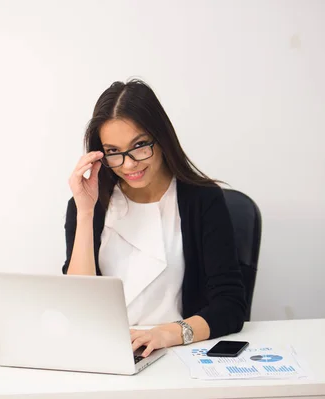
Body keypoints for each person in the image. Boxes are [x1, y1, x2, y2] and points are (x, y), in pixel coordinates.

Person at [62, 79, 246, 358]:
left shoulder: (203, 200)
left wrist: (166, 333)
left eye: (139, 145)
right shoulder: (90, 205)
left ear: (161, 139)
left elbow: (230, 306)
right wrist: (85, 213)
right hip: (106, 352)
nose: (129, 163)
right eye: (113, 152)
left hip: (180, 350)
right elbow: (77, 305)